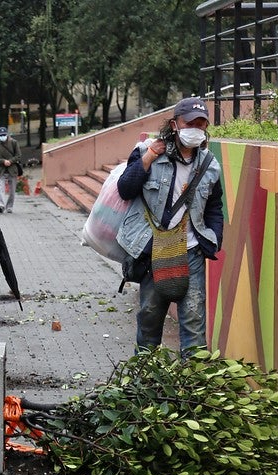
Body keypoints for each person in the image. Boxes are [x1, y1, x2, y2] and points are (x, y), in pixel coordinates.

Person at [116, 97, 224, 355]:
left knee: (194, 324)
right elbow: (125, 189)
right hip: (154, 252)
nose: (195, 129)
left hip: (192, 252)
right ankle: (144, 379)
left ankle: (192, 387)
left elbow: (215, 206)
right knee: (149, 319)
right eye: (190, 123)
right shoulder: (146, 151)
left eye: (201, 124)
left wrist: (214, 238)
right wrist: (150, 157)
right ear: (175, 124)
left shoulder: (210, 165)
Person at [0, 126, 22, 213]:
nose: (3, 136)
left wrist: (10, 161)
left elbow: (18, 155)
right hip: (1, 170)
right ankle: (0, 205)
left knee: (12, 191)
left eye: (4, 134)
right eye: (1, 135)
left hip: (12, 170)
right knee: (1, 189)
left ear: (7, 134)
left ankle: (9, 206)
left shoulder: (14, 143)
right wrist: (3, 161)